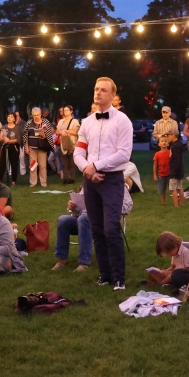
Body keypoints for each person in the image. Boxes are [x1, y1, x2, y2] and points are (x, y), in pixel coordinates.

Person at [73, 77, 134, 290]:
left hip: (112, 180)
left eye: (103, 90)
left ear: (113, 95)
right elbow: (78, 152)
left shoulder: (122, 121)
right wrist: (88, 170)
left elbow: (124, 154)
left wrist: (96, 166)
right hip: (90, 180)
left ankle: (119, 278)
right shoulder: (87, 122)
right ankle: (105, 275)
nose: (98, 93)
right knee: (97, 229)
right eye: (96, 89)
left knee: (111, 229)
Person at [54, 184, 133, 272]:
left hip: (103, 221)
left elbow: (127, 206)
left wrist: (106, 206)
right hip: (83, 220)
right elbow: (80, 209)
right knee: (63, 220)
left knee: (83, 219)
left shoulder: (117, 184)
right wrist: (74, 207)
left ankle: (84, 262)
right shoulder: (89, 184)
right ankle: (62, 259)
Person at [23, 107, 55, 188]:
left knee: (42, 166)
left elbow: (49, 136)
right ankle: (33, 183)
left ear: (41, 114)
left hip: (42, 147)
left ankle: (43, 183)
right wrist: (26, 146)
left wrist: (43, 135)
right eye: (34, 115)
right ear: (32, 115)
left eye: (37, 115)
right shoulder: (29, 123)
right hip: (32, 147)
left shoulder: (45, 122)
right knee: (33, 166)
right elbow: (25, 135)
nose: (36, 117)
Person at [55, 106, 80, 184]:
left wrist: (65, 131)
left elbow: (75, 132)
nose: (65, 112)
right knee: (64, 162)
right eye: (64, 110)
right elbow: (57, 131)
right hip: (63, 143)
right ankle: (66, 179)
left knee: (72, 162)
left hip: (72, 143)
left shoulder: (75, 121)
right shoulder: (61, 121)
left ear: (71, 111)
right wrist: (61, 132)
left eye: (67, 110)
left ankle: (72, 178)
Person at [0, 112, 22, 186]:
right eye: (8, 116)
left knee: (14, 164)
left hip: (14, 147)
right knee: (2, 164)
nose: (9, 118)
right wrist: (4, 139)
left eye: (12, 117)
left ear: (14, 119)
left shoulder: (17, 128)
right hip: (5, 147)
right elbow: (0, 138)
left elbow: (18, 139)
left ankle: (13, 181)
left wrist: (10, 141)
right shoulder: (4, 127)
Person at [166, 130, 186, 207]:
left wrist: (173, 171)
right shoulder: (179, 144)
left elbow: (177, 160)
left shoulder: (175, 146)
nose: (167, 137)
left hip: (175, 170)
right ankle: (182, 202)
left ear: (173, 135)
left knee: (172, 188)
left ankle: (176, 204)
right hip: (180, 169)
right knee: (179, 186)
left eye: (168, 136)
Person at [153, 136, 171, 205]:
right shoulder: (157, 154)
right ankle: (163, 203)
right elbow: (155, 165)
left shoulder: (170, 153)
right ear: (159, 144)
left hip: (170, 173)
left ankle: (176, 200)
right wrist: (155, 175)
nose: (164, 143)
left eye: (166, 141)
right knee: (162, 190)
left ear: (168, 143)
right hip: (161, 174)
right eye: (162, 141)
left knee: (172, 188)